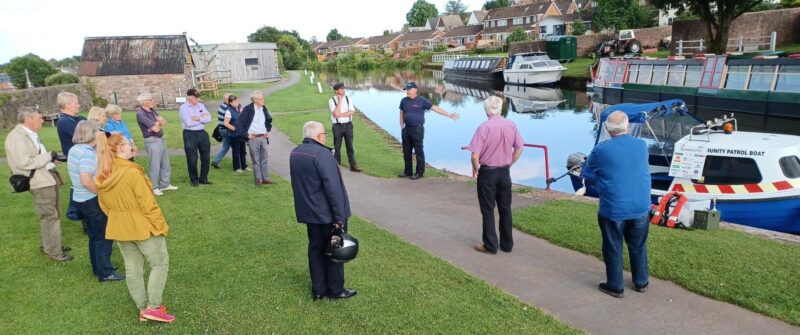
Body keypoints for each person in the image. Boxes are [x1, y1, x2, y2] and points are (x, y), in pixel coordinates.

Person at [95, 133, 175, 323]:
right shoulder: (131, 172)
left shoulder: (104, 172)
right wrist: (160, 226)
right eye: (129, 143)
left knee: (133, 268)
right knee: (159, 263)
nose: (132, 145)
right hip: (141, 225)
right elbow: (148, 205)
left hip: (119, 227)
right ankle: (153, 308)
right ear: (121, 148)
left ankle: (143, 308)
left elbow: (104, 205)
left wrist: (119, 217)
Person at [583, 111, 651, 298]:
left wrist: (602, 179)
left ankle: (615, 285)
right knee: (638, 245)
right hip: (640, 206)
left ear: (606, 128)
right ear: (627, 126)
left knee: (613, 246)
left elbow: (587, 171)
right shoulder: (641, 145)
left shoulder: (601, 150)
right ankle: (641, 281)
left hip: (614, 208)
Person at [290, 121, 357, 301]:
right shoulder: (323, 155)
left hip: (310, 213)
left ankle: (318, 290)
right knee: (335, 250)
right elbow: (333, 189)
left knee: (316, 248)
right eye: (325, 134)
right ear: (319, 136)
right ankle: (336, 290)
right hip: (328, 215)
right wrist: (339, 217)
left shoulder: (296, 152)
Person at [5, 107, 72, 261]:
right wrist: (49, 156)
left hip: (46, 178)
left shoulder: (28, 135)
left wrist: (50, 159)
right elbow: (23, 162)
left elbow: (35, 156)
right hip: (39, 182)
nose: (42, 120)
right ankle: (54, 252)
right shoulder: (17, 137)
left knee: (52, 215)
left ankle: (50, 245)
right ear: (29, 119)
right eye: (40, 118)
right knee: (50, 216)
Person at [465, 96, 525, 255]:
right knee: (505, 208)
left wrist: (476, 168)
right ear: (500, 109)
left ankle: (490, 244)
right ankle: (507, 244)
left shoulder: (483, 128)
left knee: (488, 209)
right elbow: (519, 148)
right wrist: (509, 163)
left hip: (488, 172)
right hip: (504, 172)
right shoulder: (511, 125)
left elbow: (474, 156)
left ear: (486, 110)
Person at [67, 121, 125, 281]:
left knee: (94, 236)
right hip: (91, 200)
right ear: (92, 134)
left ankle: (99, 268)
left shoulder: (75, 149)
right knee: (102, 236)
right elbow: (86, 180)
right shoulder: (86, 153)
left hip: (80, 199)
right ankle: (106, 273)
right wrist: (102, 193)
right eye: (99, 131)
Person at [398, 82, 459, 180]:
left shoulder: (422, 100)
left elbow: (435, 108)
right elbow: (401, 114)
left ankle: (419, 172)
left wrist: (448, 114)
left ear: (415, 90)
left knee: (418, 151)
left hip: (417, 129)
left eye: (409, 89)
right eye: (406, 90)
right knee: (406, 151)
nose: (407, 91)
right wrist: (402, 127)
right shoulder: (403, 101)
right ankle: (408, 171)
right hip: (406, 130)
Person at [136, 93, 177, 196]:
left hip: (160, 139)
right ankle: (154, 187)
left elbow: (164, 122)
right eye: (151, 99)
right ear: (144, 102)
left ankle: (165, 184)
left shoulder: (152, 110)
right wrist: (157, 123)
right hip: (152, 141)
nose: (153, 101)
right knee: (155, 165)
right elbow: (156, 128)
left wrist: (157, 124)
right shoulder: (141, 114)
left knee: (165, 163)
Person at [238, 91, 273, 185]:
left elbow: (268, 120)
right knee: (256, 160)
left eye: (263, 98)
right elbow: (239, 124)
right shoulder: (247, 109)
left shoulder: (263, 108)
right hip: (253, 138)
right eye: (261, 99)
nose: (263, 100)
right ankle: (258, 179)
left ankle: (265, 178)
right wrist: (246, 135)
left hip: (263, 137)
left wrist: (267, 130)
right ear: (255, 100)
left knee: (264, 159)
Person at [179, 88, 212, 187]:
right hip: (190, 134)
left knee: (206, 157)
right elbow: (188, 123)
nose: (197, 99)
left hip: (202, 132)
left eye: (198, 97)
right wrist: (202, 118)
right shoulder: (183, 108)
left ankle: (203, 178)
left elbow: (209, 118)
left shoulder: (200, 105)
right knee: (192, 158)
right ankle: (194, 180)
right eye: (195, 97)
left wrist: (197, 118)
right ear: (189, 97)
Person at [328, 83, 361, 172]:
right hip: (337, 126)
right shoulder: (331, 101)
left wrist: (340, 115)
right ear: (336, 91)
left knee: (350, 145)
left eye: (343, 88)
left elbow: (352, 112)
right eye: (341, 89)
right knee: (337, 146)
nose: (343, 90)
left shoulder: (348, 98)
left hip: (348, 125)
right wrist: (339, 101)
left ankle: (353, 165)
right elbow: (335, 113)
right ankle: (336, 165)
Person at [222, 95, 248, 172]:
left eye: (237, 101)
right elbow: (226, 123)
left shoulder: (239, 108)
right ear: (230, 102)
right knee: (236, 151)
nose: (237, 102)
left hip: (241, 134)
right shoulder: (228, 111)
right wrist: (235, 129)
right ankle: (237, 167)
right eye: (235, 101)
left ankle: (244, 166)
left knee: (243, 150)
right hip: (234, 135)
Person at [55, 92, 85, 158]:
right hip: (78, 159)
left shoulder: (79, 118)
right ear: (67, 105)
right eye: (76, 103)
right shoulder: (64, 122)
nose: (79, 105)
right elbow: (86, 138)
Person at [211, 93, 232, 169]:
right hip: (226, 130)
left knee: (225, 146)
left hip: (222, 129)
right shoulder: (227, 108)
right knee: (234, 146)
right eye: (230, 99)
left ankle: (216, 161)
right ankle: (239, 164)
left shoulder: (221, 106)